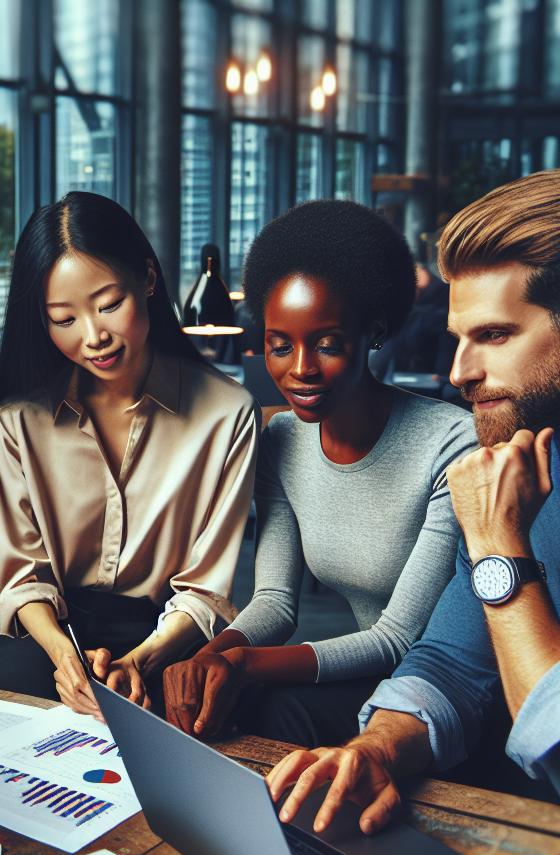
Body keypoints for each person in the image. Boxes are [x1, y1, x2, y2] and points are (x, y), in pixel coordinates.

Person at [269, 170, 560, 837]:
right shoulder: (516, 459)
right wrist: (375, 749)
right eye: (459, 338)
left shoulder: (493, 494)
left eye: (493, 336)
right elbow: (453, 662)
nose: (459, 372)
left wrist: (498, 545)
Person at [163, 200, 477, 746]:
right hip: (373, 677)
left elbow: (398, 638)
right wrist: (207, 657)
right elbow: (275, 603)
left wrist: (243, 665)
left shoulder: (450, 442)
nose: (301, 368)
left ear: (372, 333)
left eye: (327, 344)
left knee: (264, 703)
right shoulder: (283, 439)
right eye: (280, 346)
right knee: (215, 700)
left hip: (446, 691)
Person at [0, 191, 259, 717]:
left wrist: (141, 661)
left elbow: (206, 591)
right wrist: (68, 659)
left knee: (191, 701)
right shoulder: (14, 420)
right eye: (64, 319)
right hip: (52, 626)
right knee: (15, 678)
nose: (94, 336)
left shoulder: (227, 412)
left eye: (108, 305)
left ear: (147, 280)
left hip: (167, 628)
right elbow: (23, 580)